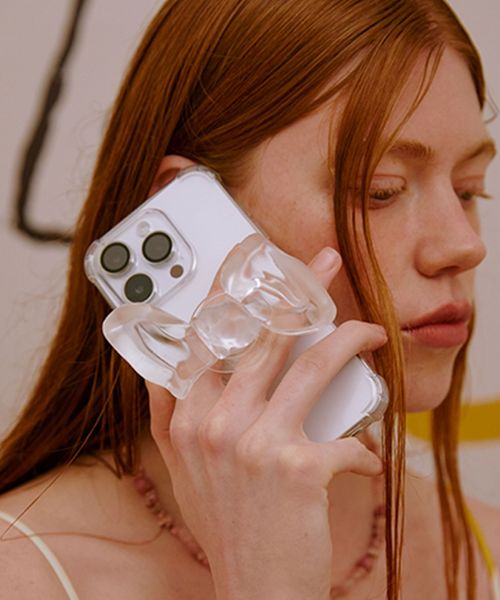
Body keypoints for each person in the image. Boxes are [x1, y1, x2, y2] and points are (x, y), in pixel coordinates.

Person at [0, 0, 498, 598]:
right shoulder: (23, 574)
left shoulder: (485, 547)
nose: (464, 245)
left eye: (469, 190)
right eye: (380, 190)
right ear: (185, 211)